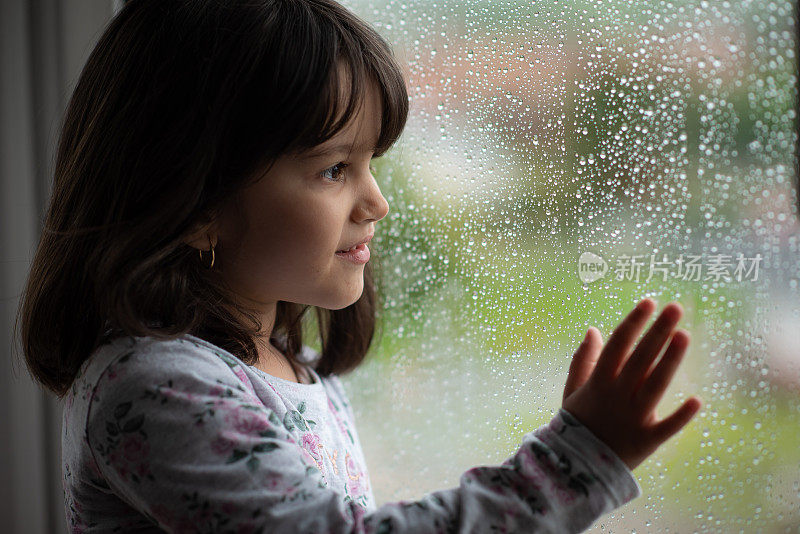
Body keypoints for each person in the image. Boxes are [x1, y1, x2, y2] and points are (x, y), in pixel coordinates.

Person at [15, 0, 702, 532]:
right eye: (335, 168)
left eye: (372, 162)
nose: (375, 201)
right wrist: (572, 462)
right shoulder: (156, 388)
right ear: (194, 203)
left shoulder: (283, 360)